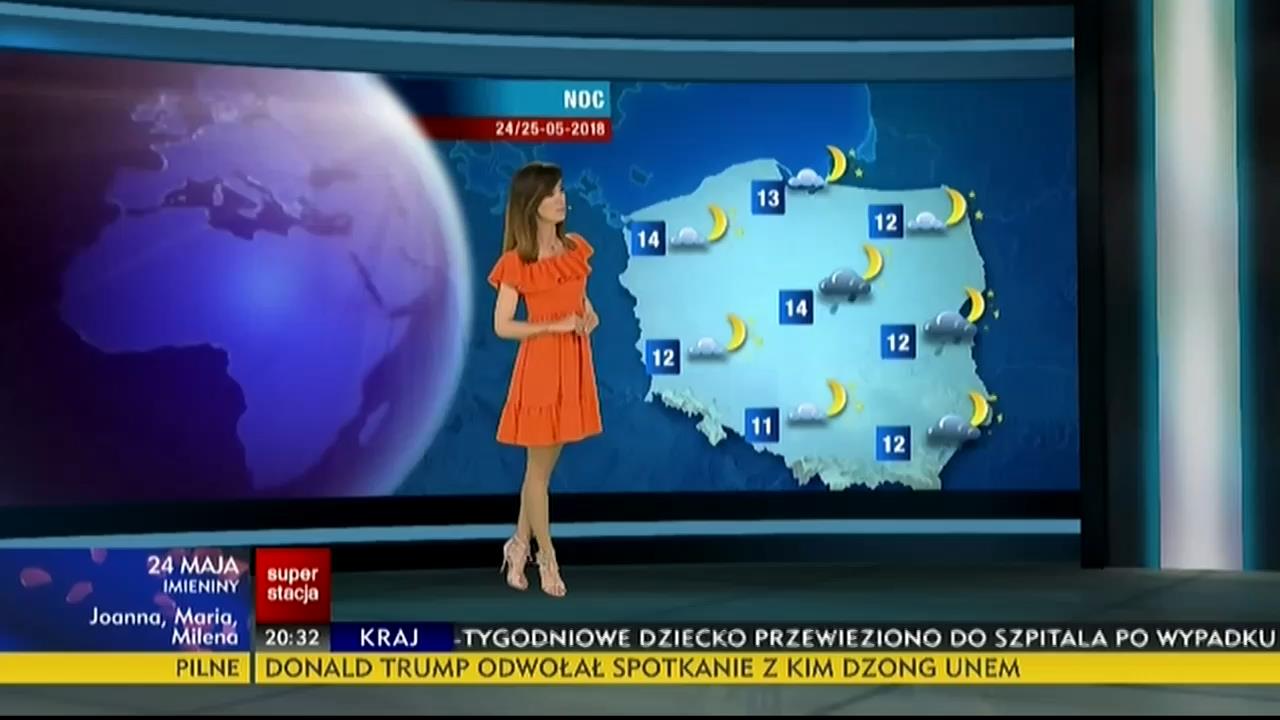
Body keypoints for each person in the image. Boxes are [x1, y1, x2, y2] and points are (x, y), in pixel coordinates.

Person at [488, 161, 602, 598]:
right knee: (538, 474)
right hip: (540, 368)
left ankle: (518, 545)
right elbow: (503, 325)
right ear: (531, 203)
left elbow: (582, 302)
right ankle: (547, 558)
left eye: (561, 190)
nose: (561, 199)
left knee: (540, 472)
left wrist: (588, 317)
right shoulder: (517, 262)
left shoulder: (574, 249)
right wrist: (553, 326)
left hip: (573, 364)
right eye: (552, 193)